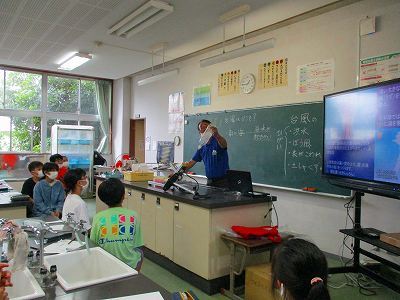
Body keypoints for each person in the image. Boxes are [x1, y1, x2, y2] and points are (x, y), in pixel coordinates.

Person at [90, 178, 143, 271]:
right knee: (140, 253)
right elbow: (137, 243)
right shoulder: (134, 215)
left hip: (106, 264)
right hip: (130, 264)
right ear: (123, 196)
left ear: (102, 198)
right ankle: (134, 274)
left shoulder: (98, 217)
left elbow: (93, 244)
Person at [183, 119, 229, 187]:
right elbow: (191, 163)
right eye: (201, 128)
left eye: (205, 127)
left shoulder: (218, 141)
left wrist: (217, 135)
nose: (203, 129)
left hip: (224, 181)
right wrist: (178, 172)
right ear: (199, 132)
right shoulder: (201, 147)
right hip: (209, 181)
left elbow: (224, 145)